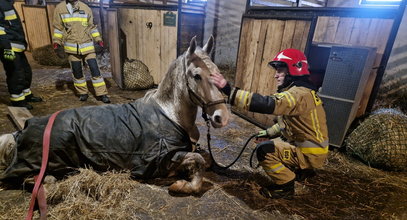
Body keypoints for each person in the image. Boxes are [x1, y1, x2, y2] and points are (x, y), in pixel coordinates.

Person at [211, 48, 329, 199]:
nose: (275, 75)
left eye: (280, 70)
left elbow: (268, 104)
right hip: (313, 148)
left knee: (265, 150)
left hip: (309, 153)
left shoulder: (298, 94)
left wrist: (229, 90)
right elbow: (286, 124)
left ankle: (285, 186)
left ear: (293, 69)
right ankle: (303, 170)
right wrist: (268, 132)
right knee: (274, 140)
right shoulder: (305, 92)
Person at [52, 0, 110, 103]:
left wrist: (98, 39)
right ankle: (83, 93)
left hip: (87, 46)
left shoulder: (85, 8)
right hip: (72, 47)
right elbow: (58, 28)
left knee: (95, 69)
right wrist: (57, 41)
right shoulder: (60, 9)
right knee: (77, 71)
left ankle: (102, 94)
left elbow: (91, 26)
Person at [0, 0, 43, 110]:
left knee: (25, 71)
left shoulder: (7, 3)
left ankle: (26, 94)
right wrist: (5, 45)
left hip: (17, 44)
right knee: (15, 72)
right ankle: (18, 100)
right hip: (8, 46)